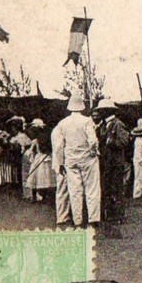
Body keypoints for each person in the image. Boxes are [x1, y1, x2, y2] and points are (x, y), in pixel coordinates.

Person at [59, 94, 101, 226]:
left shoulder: (63, 123)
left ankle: (78, 220)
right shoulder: (87, 121)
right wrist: (93, 152)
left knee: (74, 190)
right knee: (92, 188)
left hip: (71, 160)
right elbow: (93, 141)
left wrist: (60, 162)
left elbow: (60, 145)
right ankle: (93, 219)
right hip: (87, 159)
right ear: (82, 106)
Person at [93, 99, 130, 236]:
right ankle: (111, 213)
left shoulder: (118, 124)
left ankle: (118, 215)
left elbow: (124, 141)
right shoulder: (104, 125)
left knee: (116, 188)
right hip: (106, 162)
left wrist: (112, 142)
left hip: (115, 162)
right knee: (107, 188)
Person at [25, 119, 55, 204]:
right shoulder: (42, 138)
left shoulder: (41, 138)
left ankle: (41, 197)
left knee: (40, 177)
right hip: (43, 158)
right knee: (41, 177)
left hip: (42, 158)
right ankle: (40, 197)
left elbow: (33, 150)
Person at [50, 115, 71, 226]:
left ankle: (65, 215)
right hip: (62, 164)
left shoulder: (58, 130)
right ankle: (62, 216)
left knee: (64, 190)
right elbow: (58, 148)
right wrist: (61, 163)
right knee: (63, 190)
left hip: (63, 163)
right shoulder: (58, 131)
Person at [131, 116, 142, 199]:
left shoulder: (138, 141)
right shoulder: (138, 142)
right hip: (139, 161)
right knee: (139, 177)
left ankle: (139, 193)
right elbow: (138, 154)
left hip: (139, 161)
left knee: (140, 177)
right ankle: (137, 194)